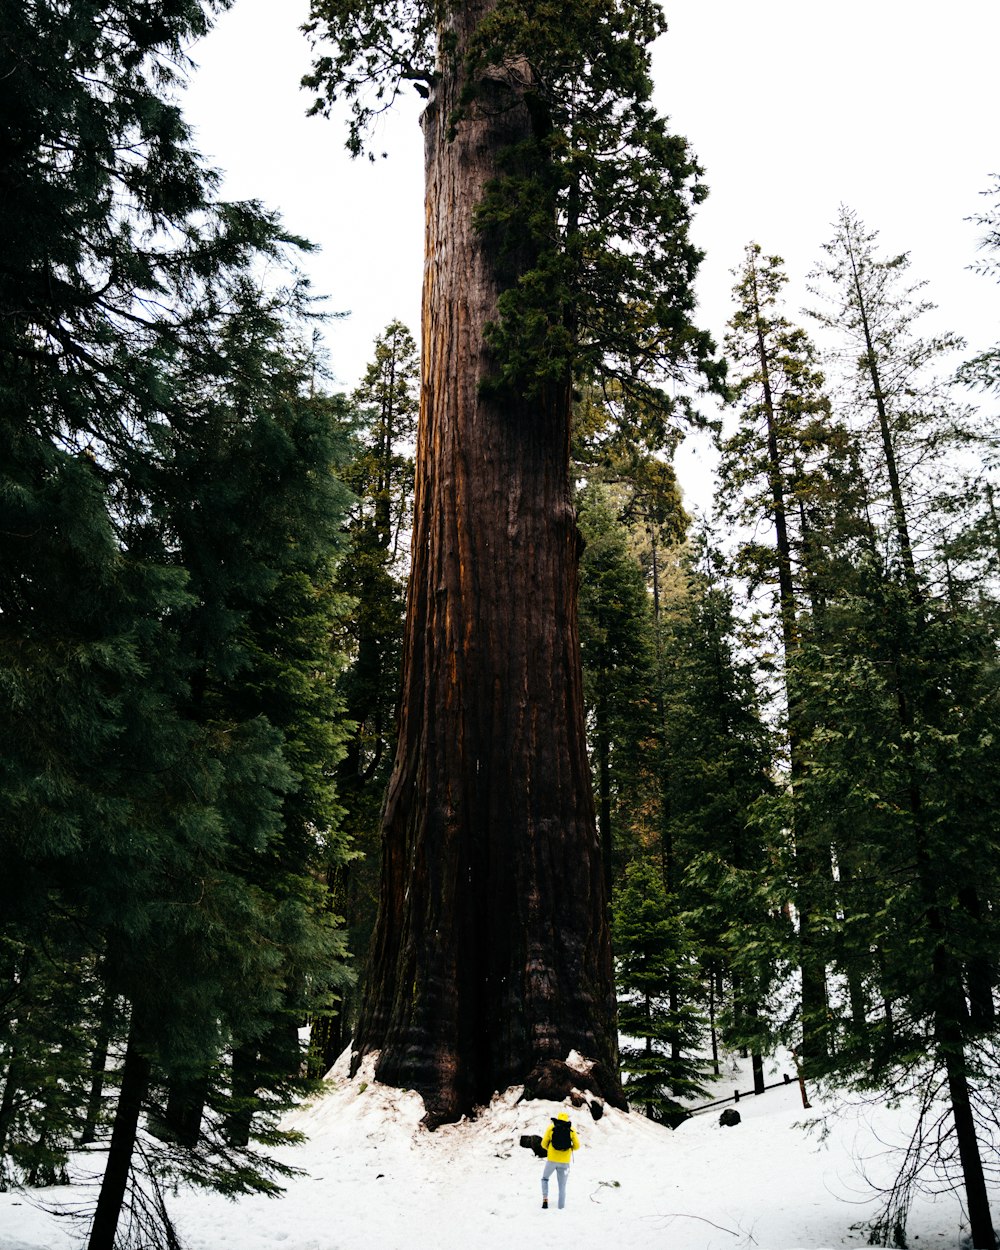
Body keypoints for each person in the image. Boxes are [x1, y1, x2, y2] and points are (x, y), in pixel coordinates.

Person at [540, 1110, 580, 1209]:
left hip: (551, 1161)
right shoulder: (571, 1129)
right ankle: (561, 1207)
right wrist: (568, 1149)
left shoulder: (551, 1127)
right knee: (562, 1186)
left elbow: (543, 1144)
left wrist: (550, 1149)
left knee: (545, 1178)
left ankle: (545, 1199)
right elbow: (577, 1146)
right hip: (565, 1162)